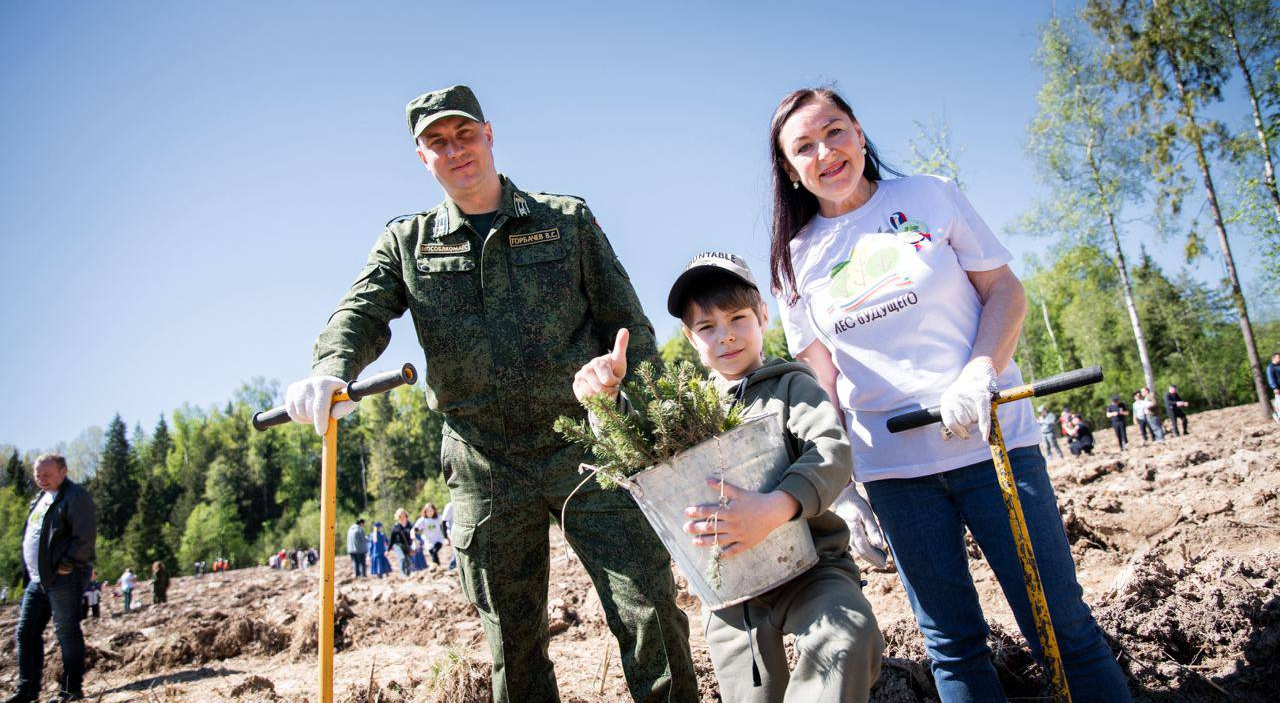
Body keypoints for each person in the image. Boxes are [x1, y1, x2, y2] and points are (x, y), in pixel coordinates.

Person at [281, 84, 695, 702]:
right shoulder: (407, 243)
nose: (455, 150)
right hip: (484, 464)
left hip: (585, 446)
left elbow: (628, 326)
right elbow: (358, 315)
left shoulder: (566, 222)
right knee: (513, 640)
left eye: (464, 134)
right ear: (422, 157)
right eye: (437, 142)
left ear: (489, 134)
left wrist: (666, 434)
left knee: (648, 609)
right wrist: (331, 367)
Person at [766, 88, 1130, 701]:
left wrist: (979, 370)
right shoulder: (794, 261)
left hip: (993, 445)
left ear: (858, 131)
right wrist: (841, 488)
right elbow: (820, 379)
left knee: (1063, 631)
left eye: (834, 132)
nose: (825, 153)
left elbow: (1005, 292)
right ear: (789, 169)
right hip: (895, 472)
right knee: (954, 647)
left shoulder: (927, 195)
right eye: (804, 147)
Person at [577, 252, 885, 701]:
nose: (726, 336)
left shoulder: (792, 386)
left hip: (813, 567)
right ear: (690, 338)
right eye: (707, 327)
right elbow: (638, 452)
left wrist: (774, 508)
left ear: (763, 315)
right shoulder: (684, 411)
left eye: (738, 317)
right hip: (729, 592)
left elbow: (832, 451)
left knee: (850, 638)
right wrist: (606, 402)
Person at [8, 454, 96, 703]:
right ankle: (27, 690)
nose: (41, 480)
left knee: (67, 632)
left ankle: (71, 690)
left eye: (47, 475)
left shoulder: (75, 497)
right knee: (26, 632)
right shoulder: (41, 498)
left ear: (63, 472)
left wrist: (67, 565)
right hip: (38, 581)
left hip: (62, 578)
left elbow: (85, 538)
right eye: (37, 475)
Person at [389, 509, 415, 577]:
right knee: (402, 558)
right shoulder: (396, 527)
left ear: (406, 516)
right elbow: (392, 539)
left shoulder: (410, 525)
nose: (402, 518)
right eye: (400, 516)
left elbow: (414, 535)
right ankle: (403, 575)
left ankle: (408, 574)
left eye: (404, 516)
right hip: (398, 545)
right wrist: (388, 550)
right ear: (398, 517)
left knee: (408, 560)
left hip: (408, 545)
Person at [441, 501, 457, 570]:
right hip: (453, 533)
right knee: (456, 553)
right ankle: (451, 569)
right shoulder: (450, 506)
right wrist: (445, 537)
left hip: (462, 533)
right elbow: (443, 522)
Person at [1267, 352, 1280, 421]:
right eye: (1278, 357)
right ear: (1274, 358)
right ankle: (1277, 416)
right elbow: (1271, 378)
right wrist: (1275, 388)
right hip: (1278, 389)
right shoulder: (1270, 367)